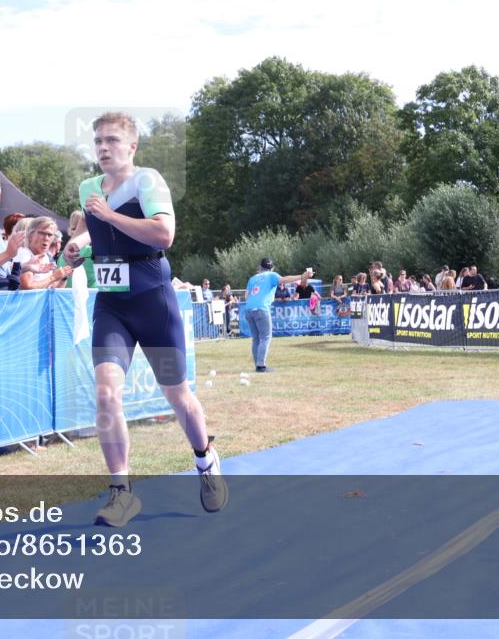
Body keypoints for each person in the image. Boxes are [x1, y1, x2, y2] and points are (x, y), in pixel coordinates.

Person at [64, 111, 226, 527]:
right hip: (113, 304)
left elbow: (163, 234)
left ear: (131, 146)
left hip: (154, 301)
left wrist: (110, 216)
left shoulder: (148, 181)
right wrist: (77, 246)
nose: (103, 148)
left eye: (112, 140)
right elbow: (95, 234)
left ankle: (206, 461)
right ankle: (121, 491)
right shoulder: (88, 189)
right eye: (98, 140)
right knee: (105, 394)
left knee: (178, 397)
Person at [244, 258, 313, 373]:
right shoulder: (271, 275)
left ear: (260, 267)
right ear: (272, 268)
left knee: (256, 339)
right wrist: (302, 276)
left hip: (249, 309)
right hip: (262, 308)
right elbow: (285, 280)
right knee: (265, 337)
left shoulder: (252, 278)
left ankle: (257, 365)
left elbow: (247, 296)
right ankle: (261, 366)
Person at [19, 217, 72, 290]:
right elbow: (27, 286)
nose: (46, 238)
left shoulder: (45, 257)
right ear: (30, 235)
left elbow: (52, 289)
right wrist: (53, 277)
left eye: (50, 235)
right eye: (42, 233)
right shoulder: (24, 253)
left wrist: (63, 276)